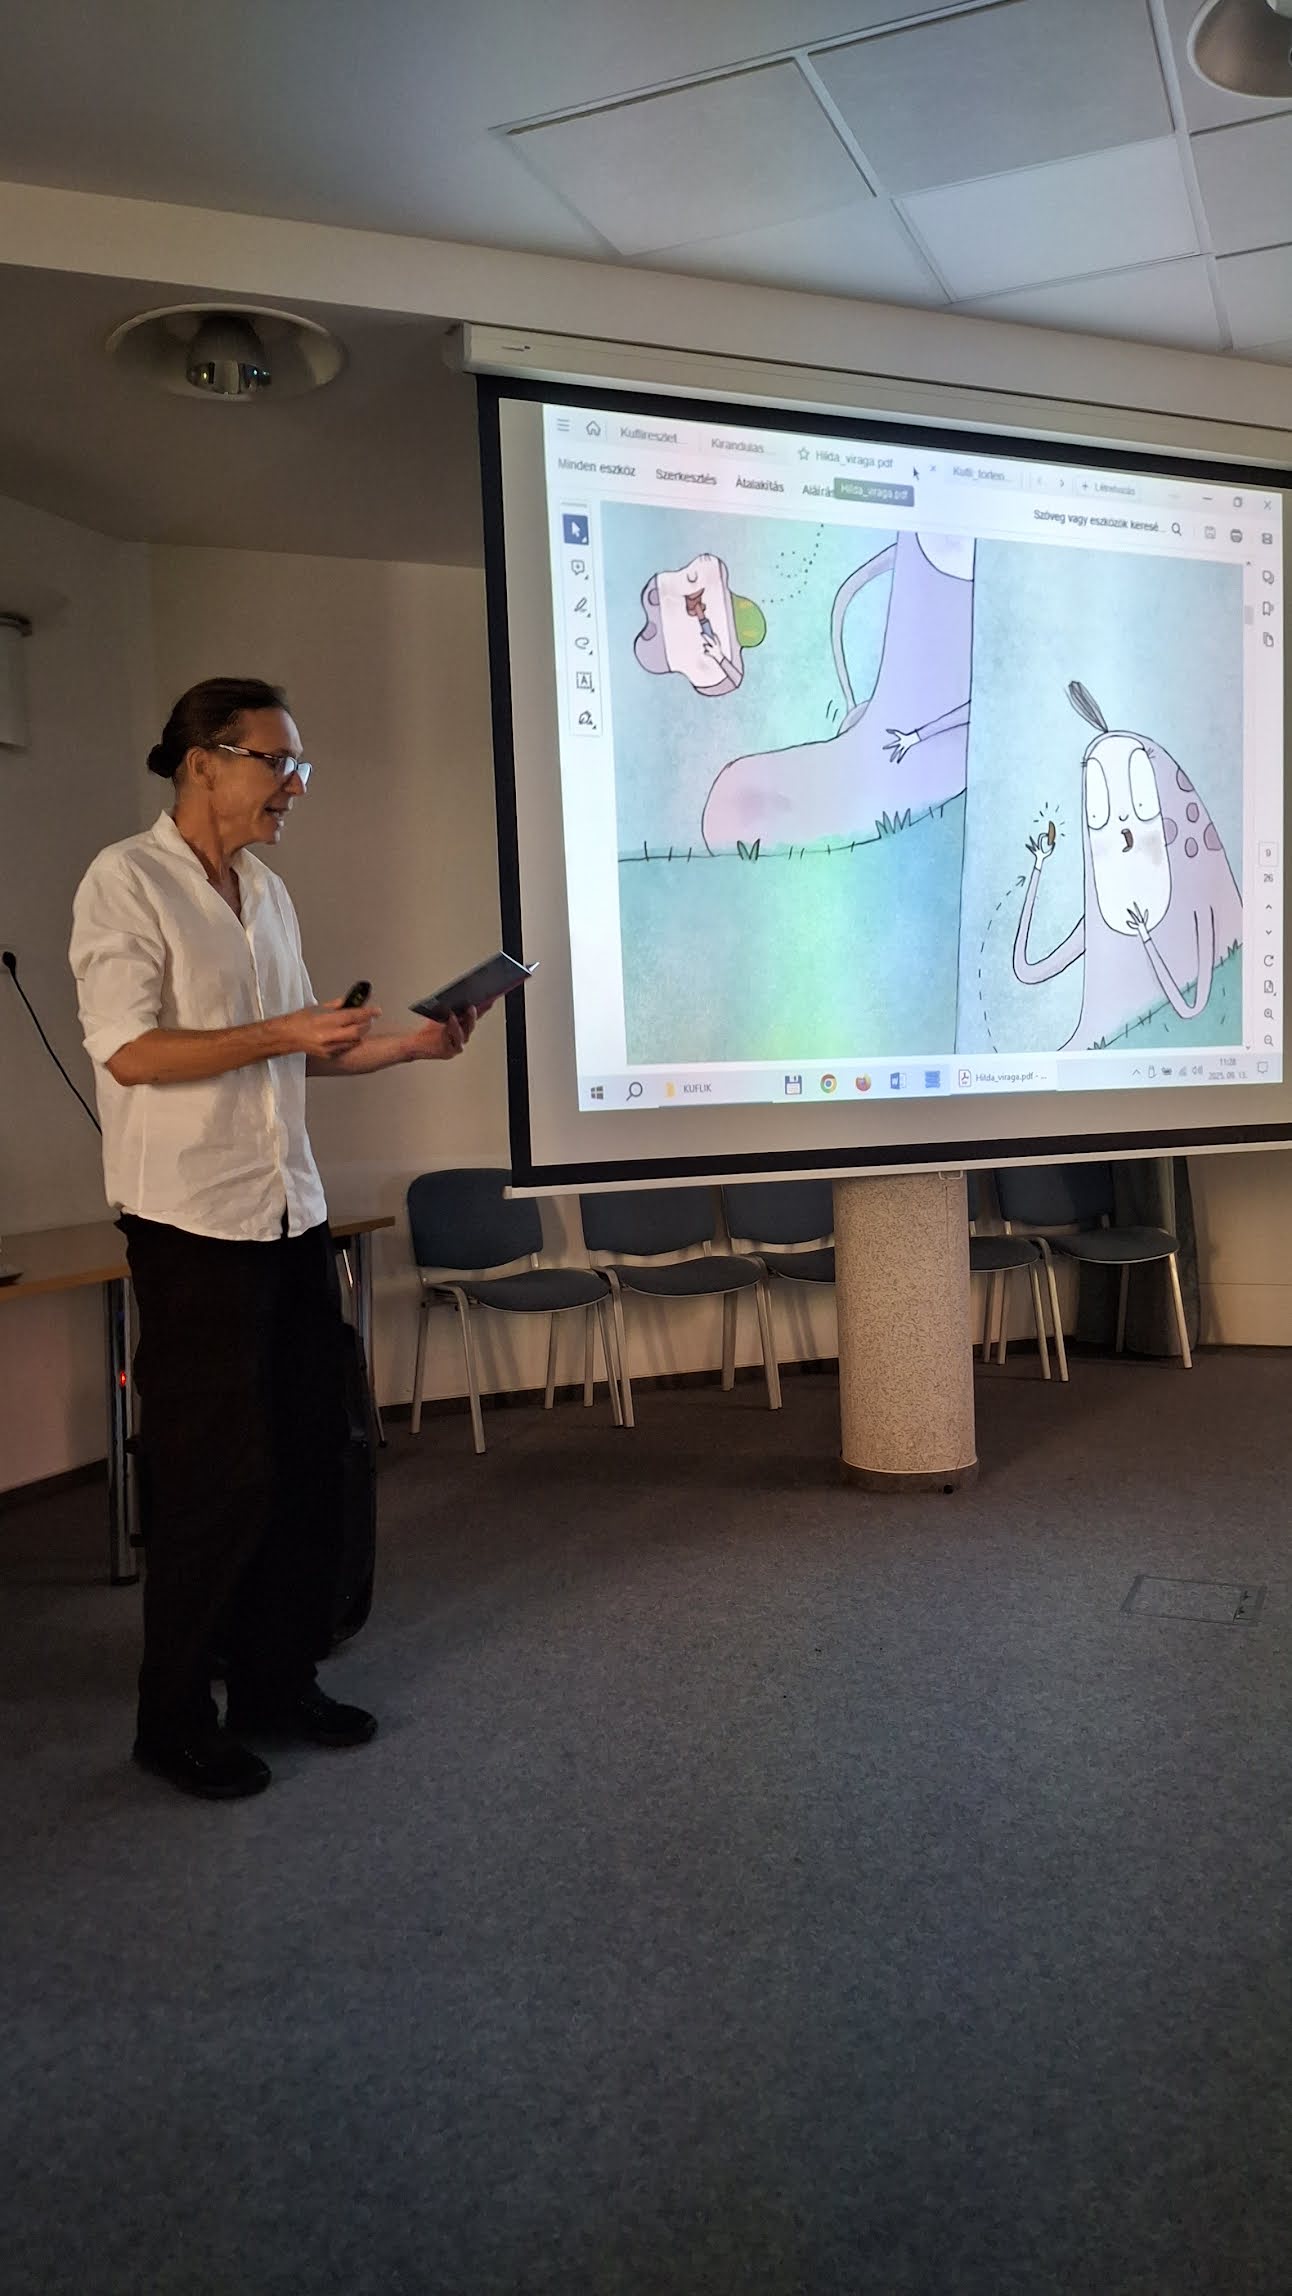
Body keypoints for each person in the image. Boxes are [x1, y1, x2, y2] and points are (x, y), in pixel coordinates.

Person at [69, 677, 480, 1801]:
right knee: (214, 1479)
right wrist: (277, 1032)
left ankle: (275, 1682)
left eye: (300, 766)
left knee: (311, 1456)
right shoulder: (125, 879)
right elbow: (131, 1050)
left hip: (289, 1212)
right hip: (191, 1223)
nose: (294, 785)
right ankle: (171, 1719)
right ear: (201, 761)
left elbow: (301, 1049)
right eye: (276, 762)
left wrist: (410, 1046)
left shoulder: (268, 892)